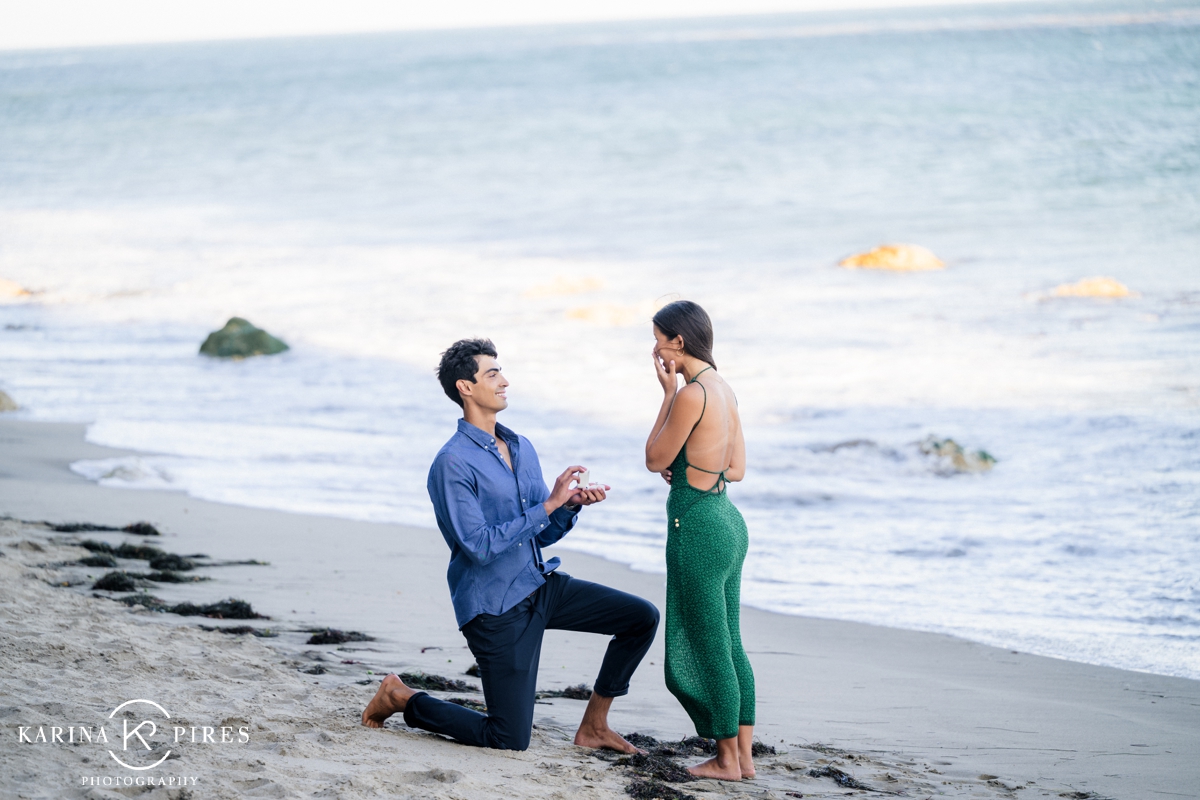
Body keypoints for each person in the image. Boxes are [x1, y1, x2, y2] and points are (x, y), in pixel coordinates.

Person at [362, 337, 659, 754]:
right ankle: (401, 697)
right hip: (494, 607)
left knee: (640, 617)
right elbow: (479, 546)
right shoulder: (452, 463)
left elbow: (541, 534)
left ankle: (594, 725)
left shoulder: (520, 447)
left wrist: (567, 508)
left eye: (500, 372)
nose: (504, 381)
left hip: (540, 585)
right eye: (492, 373)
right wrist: (549, 504)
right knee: (508, 738)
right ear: (466, 388)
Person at [644, 300, 756, 781]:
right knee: (730, 641)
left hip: (697, 527)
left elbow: (653, 458)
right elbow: (736, 470)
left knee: (706, 644)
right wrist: (691, 467)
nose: (654, 348)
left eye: (657, 338)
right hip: (728, 519)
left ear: (678, 342)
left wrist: (668, 394)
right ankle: (744, 758)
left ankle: (727, 759)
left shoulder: (692, 393)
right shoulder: (725, 389)